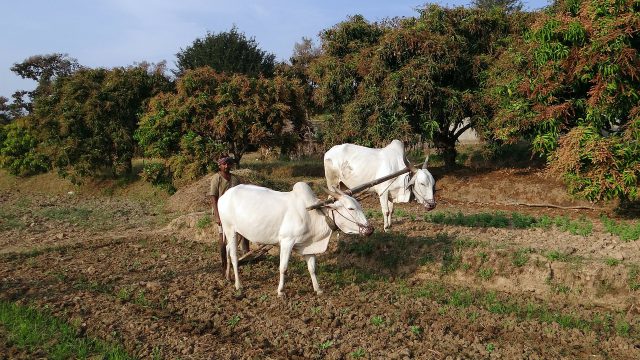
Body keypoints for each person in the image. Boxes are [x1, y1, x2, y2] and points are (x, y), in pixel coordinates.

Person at [207, 155, 249, 275]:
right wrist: (217, 216)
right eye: (224, 164)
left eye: (228, 164)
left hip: (235, 212)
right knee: (223, 238)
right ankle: (224, 263)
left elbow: (241, 195)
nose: (226, 166)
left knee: (244, 232)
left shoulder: (235, 179)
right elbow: (213, 197)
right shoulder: (217, 179)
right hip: (223, 212)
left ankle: (246, 254)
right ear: (219, 165)